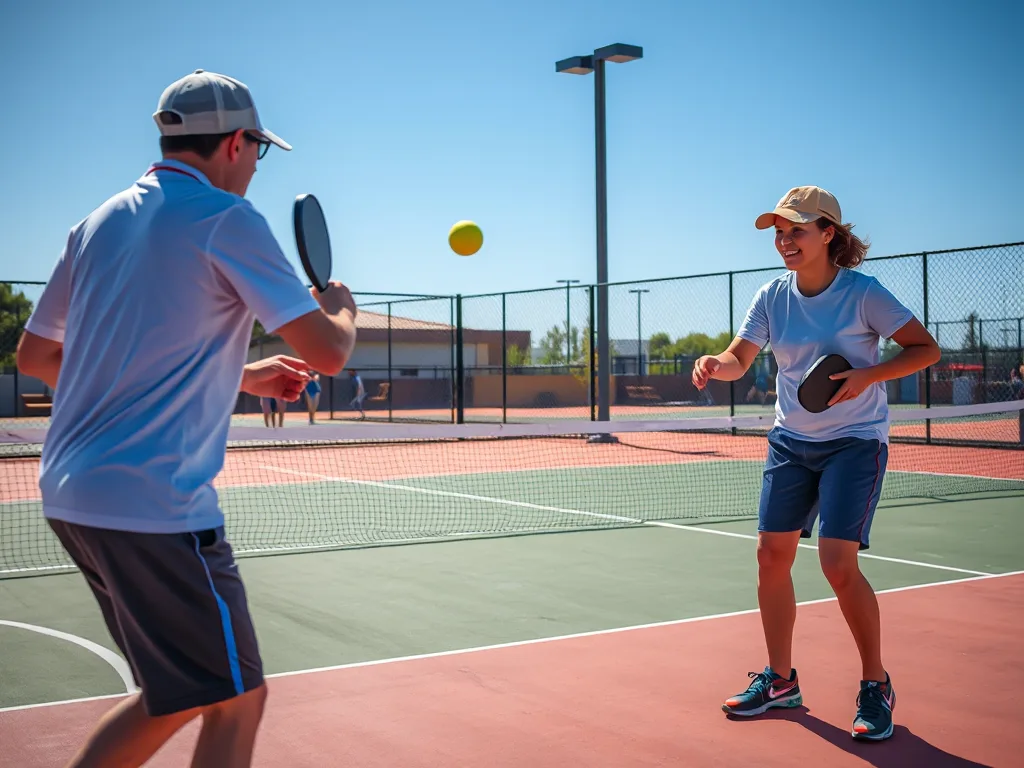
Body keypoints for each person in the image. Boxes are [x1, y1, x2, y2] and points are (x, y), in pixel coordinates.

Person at [15, 69, 358, 768]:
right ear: (237, 143)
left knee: (179, 692)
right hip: (155, 505)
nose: (255, 168)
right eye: (258, 151)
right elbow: (327, 355)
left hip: (73, 496)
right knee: (234, 698)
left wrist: (241, 374)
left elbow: (38, 356)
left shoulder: (96, 223)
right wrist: (341, 309)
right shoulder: (226, 220)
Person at [693, 186, 940, 741]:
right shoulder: (771, 296)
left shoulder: (864, 294)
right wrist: (716, 362)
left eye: (797, 230)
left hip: (855, 441)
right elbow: (740, 358)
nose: (785, 241)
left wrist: (868, 377)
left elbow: (925, 349)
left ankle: (875, 685)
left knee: (836, 563)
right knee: (771, 556)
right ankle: (780, 680)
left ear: (829, 233)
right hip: (791, 442)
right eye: (780, 232)